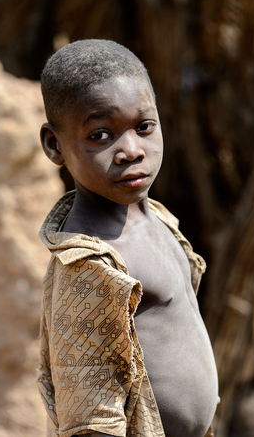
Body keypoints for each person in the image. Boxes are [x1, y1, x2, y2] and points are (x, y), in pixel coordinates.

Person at [36, 39, 218, 437]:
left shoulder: (158, 219)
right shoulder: (90, 270)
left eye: (144, 126)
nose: (131, 150)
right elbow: (91, 419)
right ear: (55, 145)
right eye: (100, 135)